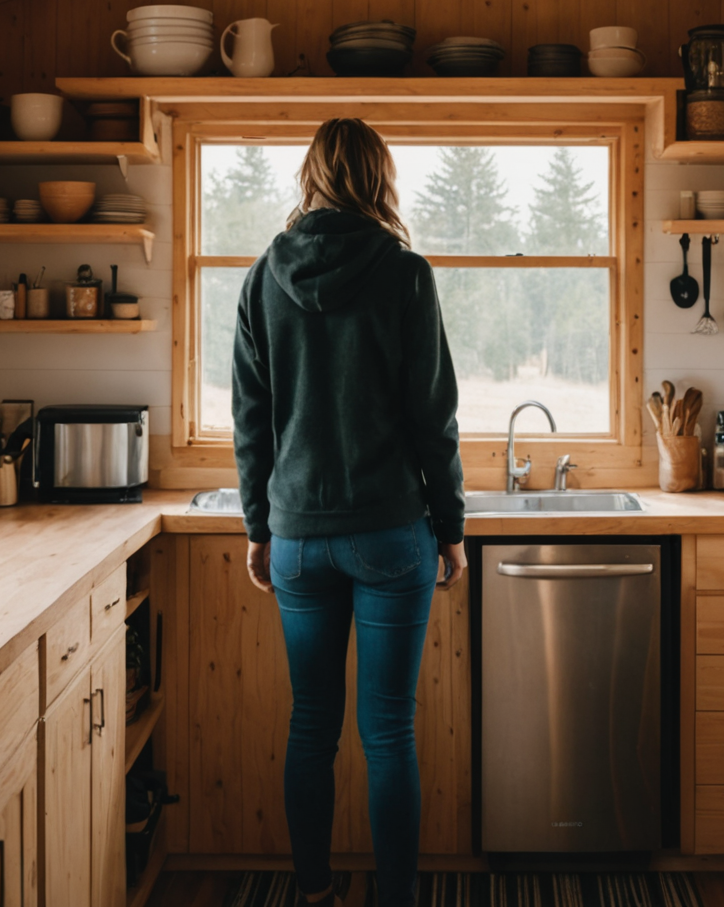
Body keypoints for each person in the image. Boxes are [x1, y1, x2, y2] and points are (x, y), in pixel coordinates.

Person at [232, 118, 467, 907]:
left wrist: (258, 527)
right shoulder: (404, 274)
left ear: (311, 177)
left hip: (298, 535)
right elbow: (433, 416)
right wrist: (453, 528)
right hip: (391, 534)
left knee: (311, 726)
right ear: (378, 179)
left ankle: (314, 891)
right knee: (388, 731)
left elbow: (251, 416)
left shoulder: (264, 275)